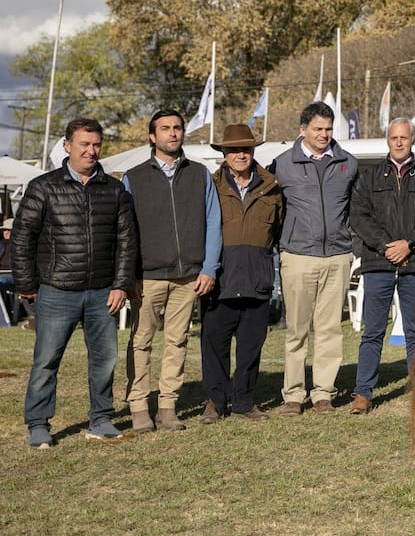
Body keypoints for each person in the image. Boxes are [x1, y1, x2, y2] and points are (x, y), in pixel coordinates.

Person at [13, 118, 137, 447]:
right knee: (46, 360)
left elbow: (127, 241)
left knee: (105, 360)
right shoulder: (43, 187)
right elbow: (23, 238)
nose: (91, 151)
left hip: (102, 293)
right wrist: (27, 284)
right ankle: (38, 424)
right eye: (84, 144)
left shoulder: (114, 189)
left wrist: (121, 284)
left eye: (96, 144)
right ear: (68, 146)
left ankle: (101, 418)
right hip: (56, 291)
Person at [122, 108, 222, 432]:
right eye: (165, 128)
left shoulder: (200, 173)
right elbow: (125, 230)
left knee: (177, 341)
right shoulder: (133, 177)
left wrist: (209, 267)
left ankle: (167, 406)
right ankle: (138, 406)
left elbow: (213, 221)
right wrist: (129, 276)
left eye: (177, 127)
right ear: (153, 136)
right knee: (141, 341)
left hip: (188, 276)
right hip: (146, 277)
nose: (172, 133)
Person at [348, 117, 415, 414]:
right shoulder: (371, 177)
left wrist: (409, 244)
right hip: (378, 263)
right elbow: (359, 216)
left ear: (413, 140)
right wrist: (385, 246)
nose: (399, 142)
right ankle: (363, 393)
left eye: (404, 137)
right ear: (387, 140)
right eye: (394, 138)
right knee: (373, 331)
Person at [270, 101, 359, 415]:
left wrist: (352, 244)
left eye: (328, 128)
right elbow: (274, 210)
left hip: (337, 256)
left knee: (330, 330)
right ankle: (293, 396)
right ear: (302, 129)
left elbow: (356, 209)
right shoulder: (282, 164)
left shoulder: (348, 162)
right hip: (297, 257)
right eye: (318, 129)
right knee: (297, 330)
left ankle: (323, 393)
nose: (324, 134)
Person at [198, 124, 283, 423]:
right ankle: (215, 402)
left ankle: (245, 402)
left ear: (253, 151)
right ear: (224, 153)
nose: (240, 154)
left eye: (245, 149)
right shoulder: (210, 185)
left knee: (250, 347)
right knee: (214, 346)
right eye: (234, 150)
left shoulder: (271, 187)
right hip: (219, 281)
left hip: (257, 279)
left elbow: (278, 230)